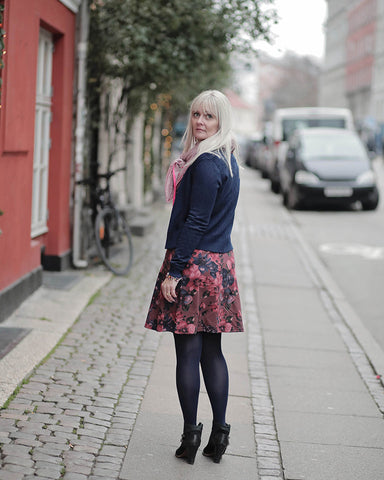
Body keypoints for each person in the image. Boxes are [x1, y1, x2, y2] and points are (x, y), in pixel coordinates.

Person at [145, 89, 243, 465]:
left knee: (188, 353)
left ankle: (191, 436)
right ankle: (219, 434)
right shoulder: (226, 157)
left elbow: (197, 220)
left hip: (195, 267)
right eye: (196, 114)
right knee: (212, 351)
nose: (200, 122)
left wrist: (175, 271)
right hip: (219, 266)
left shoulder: (204, 164)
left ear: (221, 122)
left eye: (209, 117)